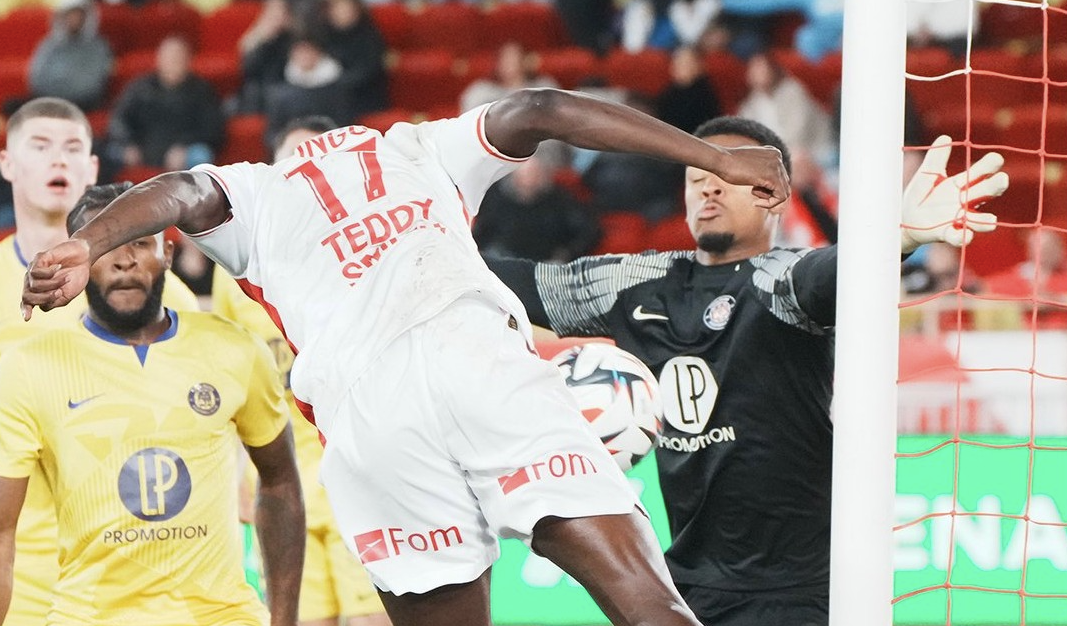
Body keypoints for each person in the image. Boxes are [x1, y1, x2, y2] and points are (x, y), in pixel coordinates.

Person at [20, 87, 789, 626]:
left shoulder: (259, 189)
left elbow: (176, 192)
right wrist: (715, 158)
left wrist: (87, 242)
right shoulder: (419, 147)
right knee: (652, 610)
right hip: (478, 365)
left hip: (370, 417)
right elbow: (543, 109)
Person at [481, 123, 1008, 626]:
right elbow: (511, 282)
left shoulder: (781, 280)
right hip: (685, 591)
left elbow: (826, 274)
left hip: (800, 594)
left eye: (727, 176)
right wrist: (435, 238)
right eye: (695, 178)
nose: (708, 189)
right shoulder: (639, 284)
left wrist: (897, 237)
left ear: (773, 195)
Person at [0, 182, 305, 625]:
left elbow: (280, 482)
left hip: (223, 617)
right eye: (104, 247)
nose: (124, 259)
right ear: (77, 258)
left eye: (141, 243)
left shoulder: (234, 350)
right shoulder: (29, 368)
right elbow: (2, 531)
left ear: (168, 252)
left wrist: (284, 621)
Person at [0, 96, 202, 625]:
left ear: (92, 168)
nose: (58, 160)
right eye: (40, 146)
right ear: (7, 163)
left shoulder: (159, 292)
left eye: (72, 148)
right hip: (21, 573)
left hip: (137, 578)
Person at [214, 115, 391, 626]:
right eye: (288, 163)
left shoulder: (379, 256)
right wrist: (235, 474)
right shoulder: (239, 270)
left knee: (373, 620)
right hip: (282, 484)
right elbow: (230, 385)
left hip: (368, 476)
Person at [107, 35, 225, 171]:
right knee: (108, 152)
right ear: (159, 59)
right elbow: (119, 119)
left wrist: (184, 146)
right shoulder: (140, 88)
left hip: (184, 149)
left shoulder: (202, 90)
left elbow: (212, 128)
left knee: (200, 155)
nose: (173, 64)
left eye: (178, 59)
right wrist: (128, 144)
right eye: (169, 58)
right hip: (141, 146)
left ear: (188, 61)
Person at [27, 0, 113, 112]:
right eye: (69, 15)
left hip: (81, 104)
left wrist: (64, 93)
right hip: (48, 101)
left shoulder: (98, 47)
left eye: (78, 15)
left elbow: (92, 85)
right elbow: (36, 77)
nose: (73, 19)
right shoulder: (49, 44)